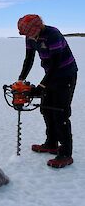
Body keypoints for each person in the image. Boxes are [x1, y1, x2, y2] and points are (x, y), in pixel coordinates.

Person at [17, 14, 78, 168]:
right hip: (50, 74)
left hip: (65, 74)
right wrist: (21, 79)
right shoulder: (30, 37)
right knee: (46, 109)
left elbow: (56, 64)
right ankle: (51, 143)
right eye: (27, 34)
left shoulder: (53, 34)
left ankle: (65, 153)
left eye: (30, 33)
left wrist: (42, 85)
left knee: (60, 112)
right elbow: (29, 59)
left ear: (38, 27)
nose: (29, 36)